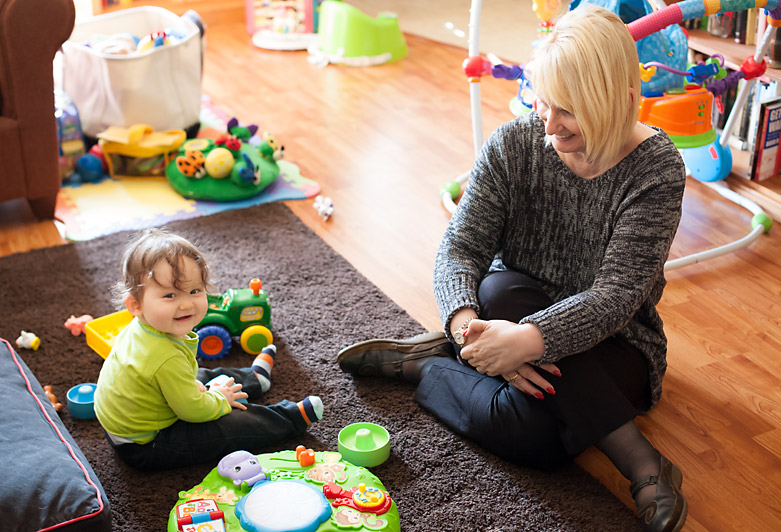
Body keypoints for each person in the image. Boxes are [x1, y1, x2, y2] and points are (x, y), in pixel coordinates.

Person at [337, 5, 687, 532]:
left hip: (617, 341)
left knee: (538, 440)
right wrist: (461, 321)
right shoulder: (514, 145)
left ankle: (430, 366)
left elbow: (619, 295)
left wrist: (530, 340)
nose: (548, 124)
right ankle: (640, 461)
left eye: (567, 110)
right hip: (510, 302)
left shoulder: (656, 169)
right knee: (499, 288)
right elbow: (460, 248)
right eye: (542, 103)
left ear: (612, 99)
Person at [94, 228, 323, 470]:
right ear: (135, 304)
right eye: (170, 295)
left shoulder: (143, 328)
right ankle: (288, 418)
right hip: (147, 444)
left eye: (195, 291)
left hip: (127, 421)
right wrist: (218, 399)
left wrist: (202, 388)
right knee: (226, 425)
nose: (185, 303)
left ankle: (254, 378)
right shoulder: (164, 357)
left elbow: (175, 374)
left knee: (201, 375)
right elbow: (193, 410)